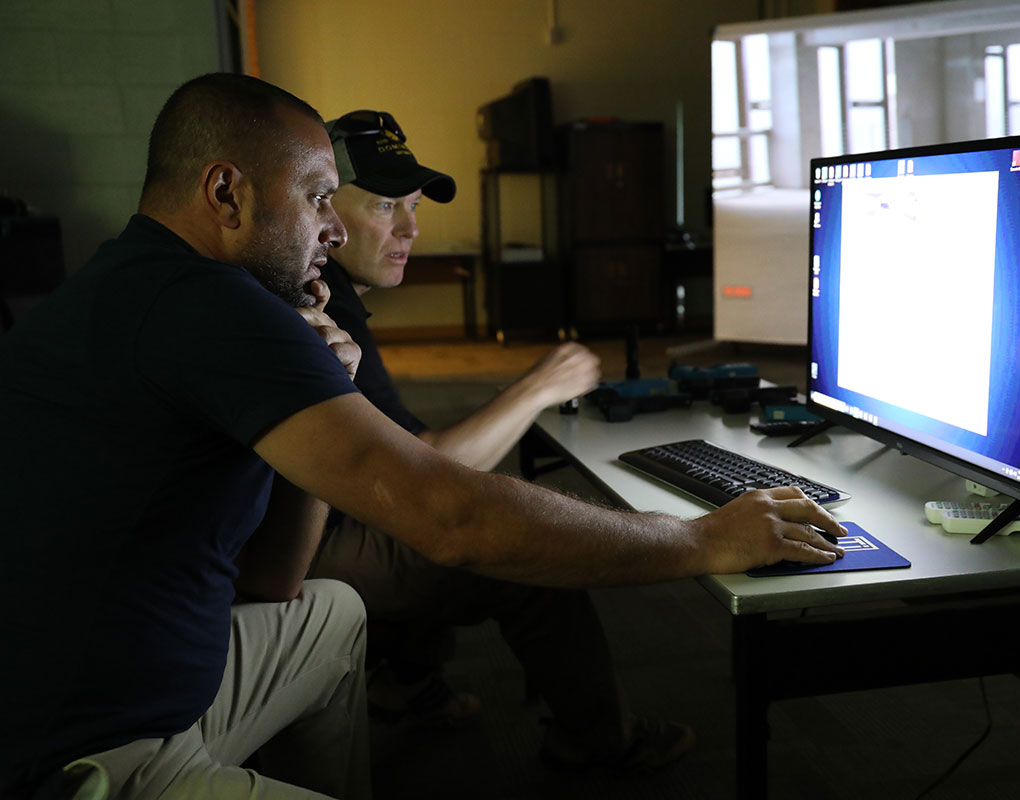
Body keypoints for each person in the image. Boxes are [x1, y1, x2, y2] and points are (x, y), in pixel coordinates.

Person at [0, 73, 846, 800]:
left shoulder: (138, 278)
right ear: (226, 193)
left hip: (141, 679)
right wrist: (701, 537)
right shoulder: (208, 305)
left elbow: (274, 579)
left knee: (329, 615)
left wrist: (323, 377)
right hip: (88, 751)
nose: (331, 230)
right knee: (498, 540)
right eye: (318, 198)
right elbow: (447, 516)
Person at [309, 109, 691, 770]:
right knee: (523, 538)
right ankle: (599, 744)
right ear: (322, 211)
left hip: (296, 528)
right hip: (287, 558)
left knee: (470, 501)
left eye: (415, 205)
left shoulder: (324, 292)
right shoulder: (318, 304)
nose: (411, 228)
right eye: (384, 206)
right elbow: (422, 474)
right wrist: (538, 386)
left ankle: (403, 682)